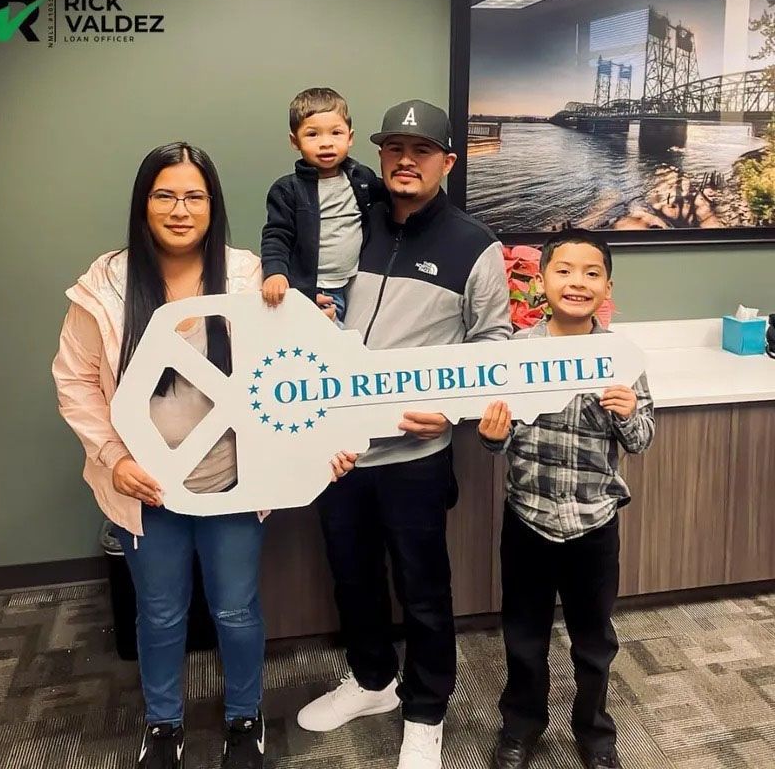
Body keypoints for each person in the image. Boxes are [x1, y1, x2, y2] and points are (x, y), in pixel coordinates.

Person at [52, 142, 355, 769]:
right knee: (159, 612)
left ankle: (244, 719)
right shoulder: (106, 284)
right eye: (165, 195)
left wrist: (324, 445)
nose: (180, 209)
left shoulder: (249, 279)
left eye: (194, 196)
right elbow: (75, 380)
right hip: (146, 486)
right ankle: (162, 726)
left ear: (213, 206)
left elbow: (302, 370)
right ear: (143, 204)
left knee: (236, 607)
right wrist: (113, 459)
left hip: (231, 483)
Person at [296, 100, 511, 769]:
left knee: (422, 584)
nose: (406, 161)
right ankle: (371, 681)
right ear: (379, 156)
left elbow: (494, 344)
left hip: (416, 454)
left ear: (447, 161)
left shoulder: (474, 245)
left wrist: (451, 408)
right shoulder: (348, 226)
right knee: (351, 574)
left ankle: (425, 709)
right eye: (395, 149)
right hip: (338, 448)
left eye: (422, 150)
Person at [477, 231, 656, 769]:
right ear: (541, 281)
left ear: (606, 285)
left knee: (594, 640)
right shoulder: (514, 353)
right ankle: (522, 727)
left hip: (593, 524)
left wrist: (628, 414)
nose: (577, 282)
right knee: (525, 635)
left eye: (591, 272)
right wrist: (490, 434)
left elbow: (643, 438)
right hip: (528, 519)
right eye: (564, 271)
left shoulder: (621, 356)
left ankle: (595, 733)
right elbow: (498, 440)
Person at [260, 86, 381, 321]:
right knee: (329, 348)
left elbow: (389, 206)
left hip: (357, 283)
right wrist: (275, 273)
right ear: (295, 141)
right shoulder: (287, 190)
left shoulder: (362, 178)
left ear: (350, 137)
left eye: (336, 133)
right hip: (316, 288)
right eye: (313, 134)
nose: (326, 143)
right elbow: (276, 235)